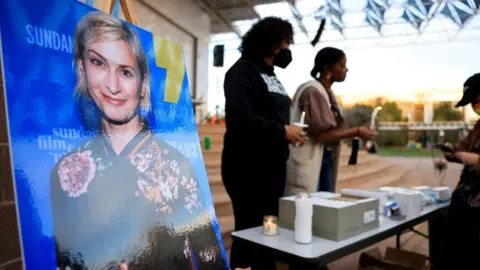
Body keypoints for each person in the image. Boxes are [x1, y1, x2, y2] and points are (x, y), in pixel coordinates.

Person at [50, 12, 227, 270]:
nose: (112, 85)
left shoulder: (175, 168)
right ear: (82, 69)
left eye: (125, 71)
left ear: (143, 84)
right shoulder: (66, 173)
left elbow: (210, 260)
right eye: (98, 63)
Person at [222, 17, 307, 270]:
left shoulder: (271, 74)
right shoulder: (242, 71)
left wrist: (291, 133)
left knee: (269, 228)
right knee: (250, 232)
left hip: (273, 166)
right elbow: (240, 119)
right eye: (287, 42)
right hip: (247, 166)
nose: (289, 48)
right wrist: (282, 130)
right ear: (272, 43)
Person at [285, 47, 375, 196]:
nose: (346, 70)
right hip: (311, 158)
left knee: (323, 207)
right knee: (310, 208)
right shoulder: (313, 91)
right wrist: (357, 131)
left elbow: (333, 130)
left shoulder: (326, 92)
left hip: (324, 159)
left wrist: (359, 129)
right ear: (328, 67)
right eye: (342, 65)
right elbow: (322, 135)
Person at [440, 73, 480, 269]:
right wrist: (452, 152)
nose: (475, 108)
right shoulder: (478, 126)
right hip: (466, 199)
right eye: (473, 105)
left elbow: (473, 157)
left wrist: (477, 160)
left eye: (477, 102)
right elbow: (462, 148)